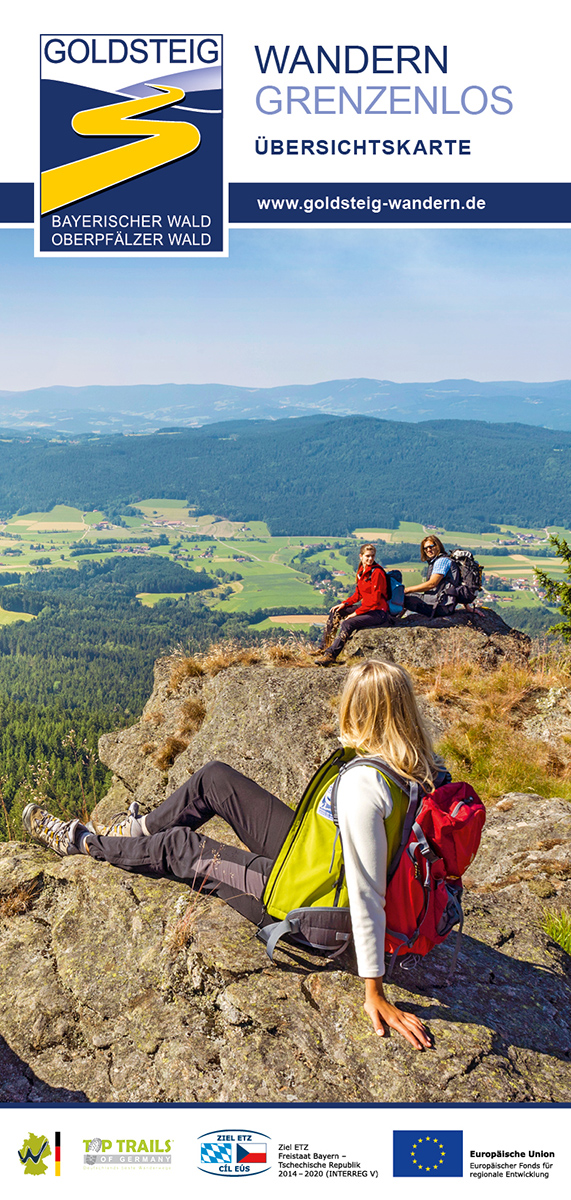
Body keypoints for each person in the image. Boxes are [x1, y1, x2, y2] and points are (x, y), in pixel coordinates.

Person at [23, 659, 436, 1050]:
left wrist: (374, 992)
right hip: (318, 862)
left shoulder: (365, 786)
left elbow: (366, 893)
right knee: (215, 778)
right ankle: (136, 829)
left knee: (179, 847)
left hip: (317, 907)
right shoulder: (413, 765)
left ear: (358, 710)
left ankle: (81, 842)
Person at [315, 543, 391, 665]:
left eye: (372, 556)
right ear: (360, 556)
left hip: (378, 612)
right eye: (367, 556)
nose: (370, 559)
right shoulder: (361, 571)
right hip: (367, 608)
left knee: (348, 623)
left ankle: (331, 655)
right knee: (336, 612)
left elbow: (375, 600)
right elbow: (358, 594)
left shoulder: (377, 573)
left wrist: (356, 613)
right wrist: (344, 604)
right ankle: (323, 647)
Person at [403, 535, 458, 618]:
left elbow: (432, 584)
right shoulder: (446, 559)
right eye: (425, 548)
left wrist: (407, 590)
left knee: (402, 598)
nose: (428, 550)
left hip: (439, 606)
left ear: (438, 546)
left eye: (431, 546)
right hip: (445, 605)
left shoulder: (441, 561)